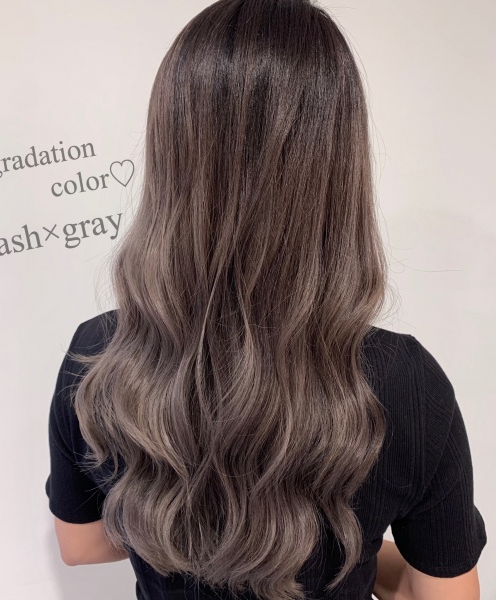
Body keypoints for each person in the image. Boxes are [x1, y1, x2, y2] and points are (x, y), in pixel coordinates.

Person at [45, 1, 487, 599]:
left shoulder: (99, 356)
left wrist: (186, 528)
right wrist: (359, 548)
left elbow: (79, 546)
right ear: (338, 165)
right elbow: (440, 593)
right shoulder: (406, 385)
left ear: (171, 151)